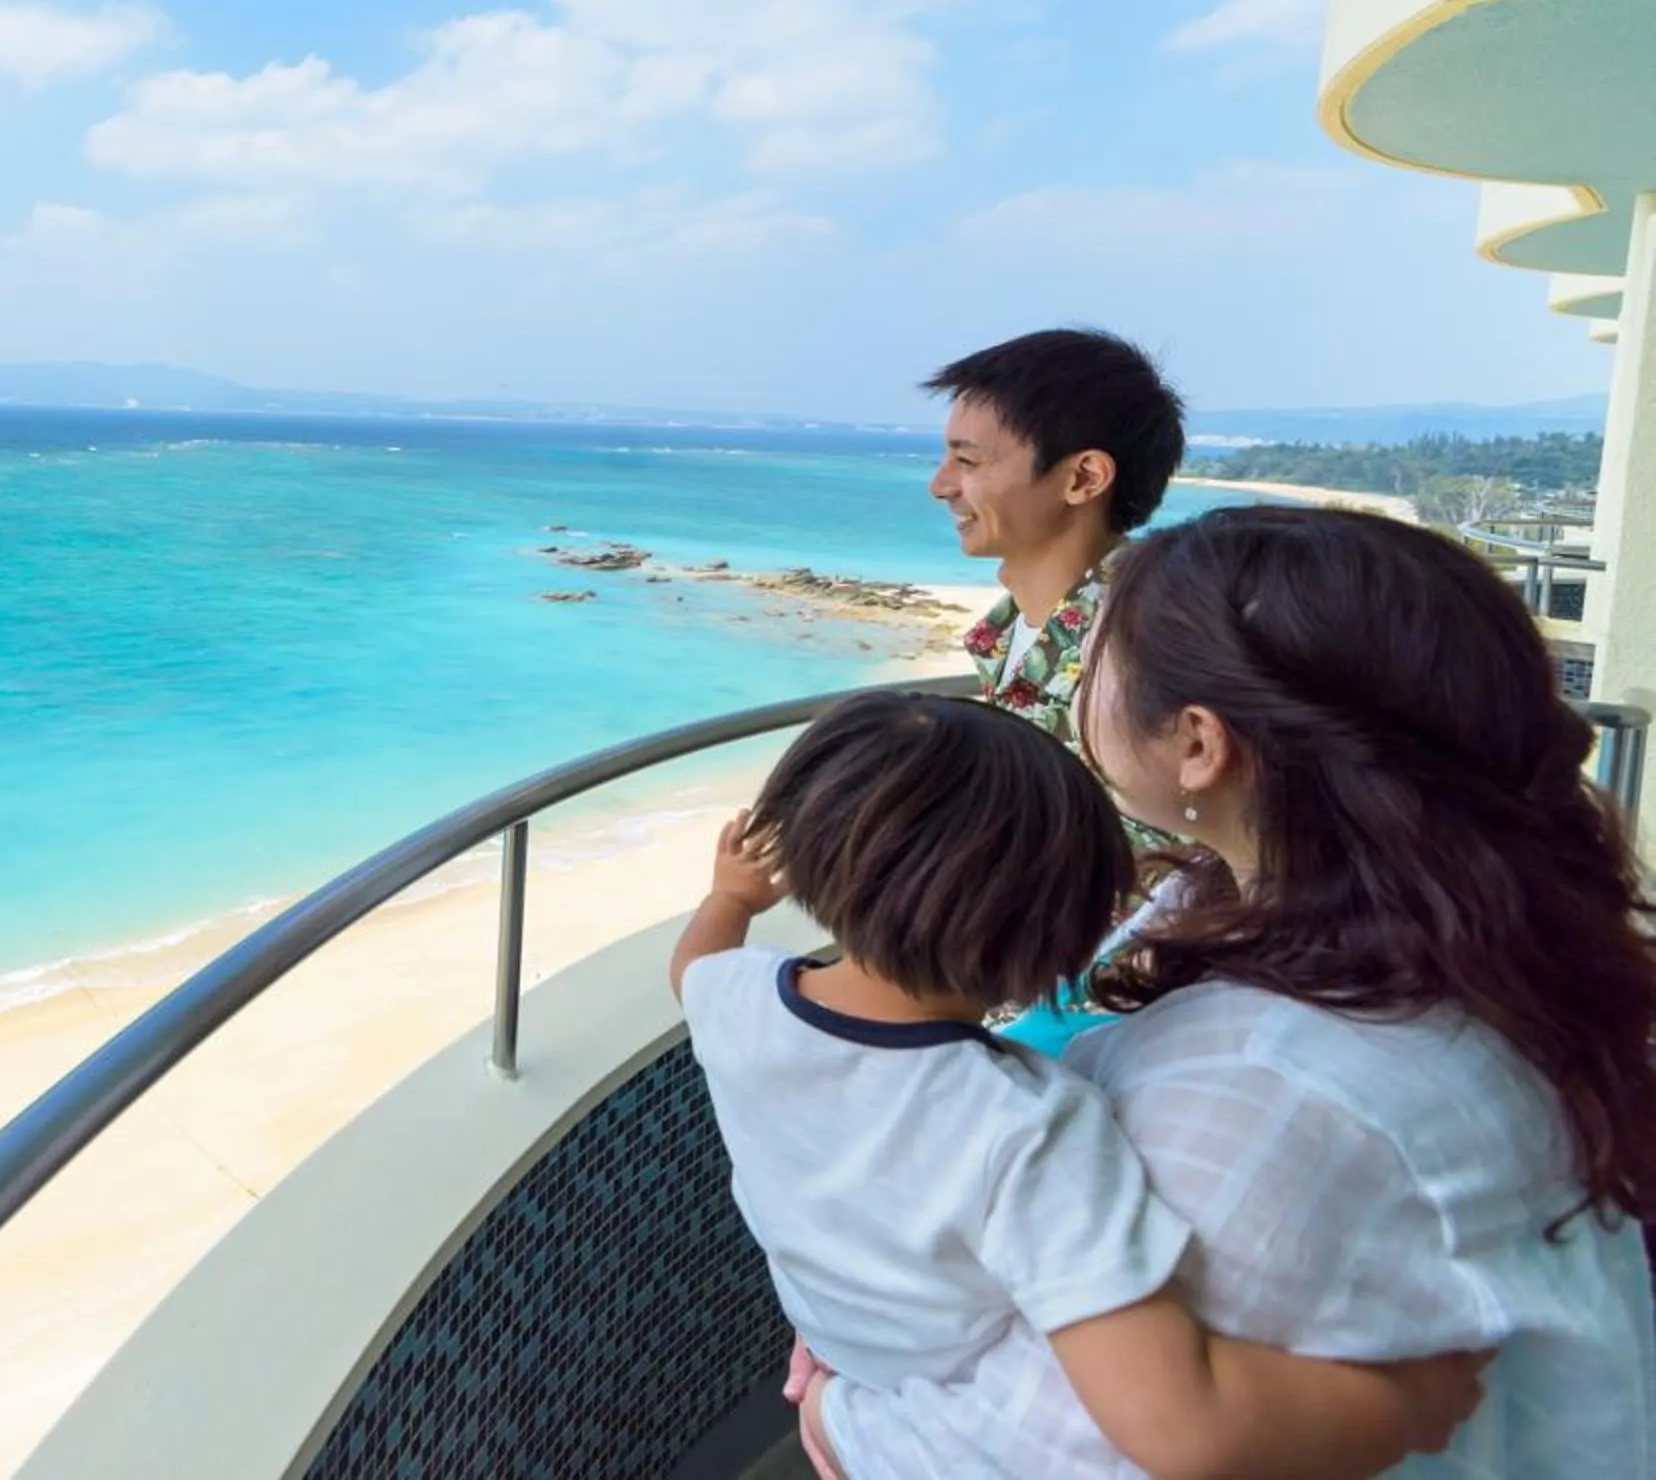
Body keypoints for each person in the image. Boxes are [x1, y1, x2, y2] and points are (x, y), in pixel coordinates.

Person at [810, 507, 1656, 1477]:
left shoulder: (1278, 1089)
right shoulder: (1430, 930)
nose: (1079, 681)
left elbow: (1047, 1456)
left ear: (1198, 745)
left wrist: (836, 1405)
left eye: (1100, 659)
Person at [671, 690, 1483, 1480]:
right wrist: (1412, 1403)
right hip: (942, 1421)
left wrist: (731, 898)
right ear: (1065, 934)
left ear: (814, 850)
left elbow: (692, 965)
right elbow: (1178, 1429)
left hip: (847, 1356)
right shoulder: (1023, 1128)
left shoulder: (737, 1002)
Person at [924, 329, 1186, 750]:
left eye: (967, 460)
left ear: (1084, 478)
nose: (939, 487)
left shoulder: (1138, 655)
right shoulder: (1011, 629)